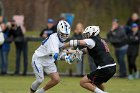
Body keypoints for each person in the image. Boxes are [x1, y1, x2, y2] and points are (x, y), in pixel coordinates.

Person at [63, 26, 116, 93]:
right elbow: (83, 51)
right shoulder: (100, 41)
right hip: (112, 67)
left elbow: (75, 42)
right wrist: (69, 51)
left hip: (105, 68)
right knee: (96, 84)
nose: (86, 36)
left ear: (93, 33)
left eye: (87, 34)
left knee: (83, 82)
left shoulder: (92, 40)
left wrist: (62, 46)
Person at [30, 20, 72, 93]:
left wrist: (75, 53)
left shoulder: (60, 39)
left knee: (56, 79)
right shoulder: (54, 39)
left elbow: (63, 49)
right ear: (58, 31)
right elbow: (56, 56)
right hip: (38, 59)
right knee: (40, 80)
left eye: (66, 35)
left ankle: (40, 92)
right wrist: (66, 57)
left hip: (48, 60)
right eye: (63, 34)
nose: (65, 36)